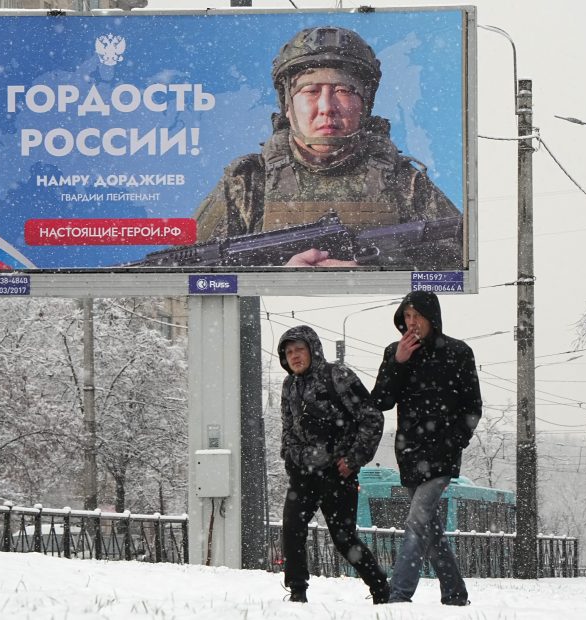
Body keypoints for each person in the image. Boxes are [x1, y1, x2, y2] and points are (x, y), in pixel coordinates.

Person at [194, 26, 463, 269]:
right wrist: (278, 279)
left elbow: (461, 262)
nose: (327, 107)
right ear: (287, 105)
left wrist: (374, 269)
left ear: (365, 104)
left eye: (344, 90)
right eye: (310, 91)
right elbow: (187, 276)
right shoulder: (247, 183)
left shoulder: (404, 182)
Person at [370, 291, 482, 606]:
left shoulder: (458, 353)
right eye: (406, 316)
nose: (411, 323)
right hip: (409, 454)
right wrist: (398, 363)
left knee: (417, 521)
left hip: (442, 455)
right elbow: (381, 401)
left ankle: (398, 594)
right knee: (429, 526)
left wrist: (454, 441)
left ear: (432, 317)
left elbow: (472, 406)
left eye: (416, 315)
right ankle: (455, 593)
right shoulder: (394, 352)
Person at [277, 325, 390, 604]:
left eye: (299, 349)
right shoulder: (289, 386)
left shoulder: (337, 376)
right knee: (291, 528)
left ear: (313, 350)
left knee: (343, 539)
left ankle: (380, 589)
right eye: (289, 352)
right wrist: (290, 457)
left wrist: (353, 459)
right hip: (303, 474)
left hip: (338, 474)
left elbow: (372, 417)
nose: (294, 356)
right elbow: (288, 427)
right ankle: (297, 592)